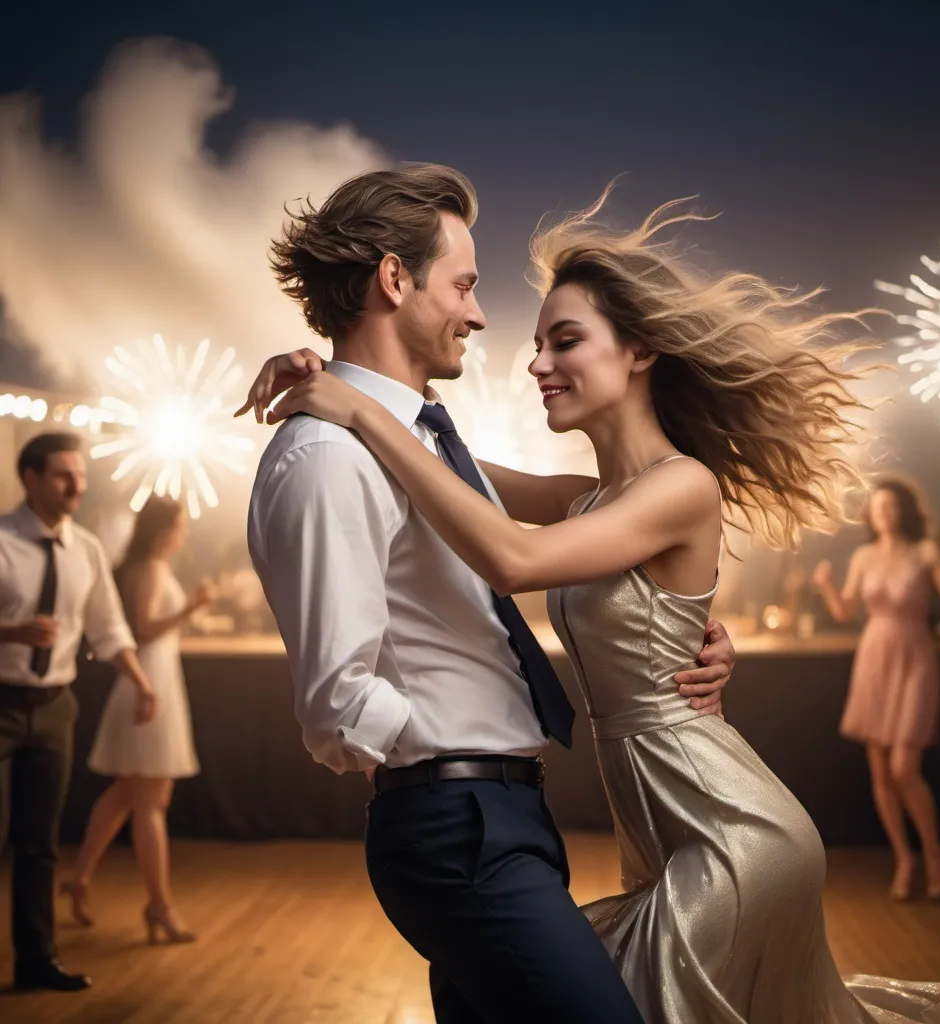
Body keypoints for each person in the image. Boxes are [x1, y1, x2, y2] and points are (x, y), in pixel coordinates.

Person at [246, 187, 940, 1022]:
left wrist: (356, 403)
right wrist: (338, 386)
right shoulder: (585, 500)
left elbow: (511, 554)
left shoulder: (680, 487)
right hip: (562, 823)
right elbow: (455, 472)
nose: (527, 356)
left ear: (640, 350)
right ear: (396, 281)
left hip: (724, 831)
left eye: (564, 340)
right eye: (472, 291)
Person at [240, 165, 736, 1024]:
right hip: (458, 822)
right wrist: (445, 762)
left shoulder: (413, 445)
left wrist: (677, 615)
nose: (477, 313)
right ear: (395, 279)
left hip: (499, 816)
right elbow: (334, 707)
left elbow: (593, 508)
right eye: (463, 285)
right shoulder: (328, 453)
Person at [0, 432, 156, 992]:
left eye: (82, 477)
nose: (78, 487)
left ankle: (36, 959)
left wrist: (141, 684)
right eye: (65, 476)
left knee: (41, 843)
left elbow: (109, 629)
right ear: (32, 479)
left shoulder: (86, 548)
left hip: (55, 707)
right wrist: (11, 632)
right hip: (1, 700)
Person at [60, 495, 211, 942]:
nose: (184, 533)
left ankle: (80, 878)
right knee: (149, 800)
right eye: (181, 525)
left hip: (156, 680)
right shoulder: (146, 568)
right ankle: (160, 906)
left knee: (128, 793)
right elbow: (142, 629)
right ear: (166, 529)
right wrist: (191, 608)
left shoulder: (155, 567)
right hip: (148, 684)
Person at [812, 479, 940, 901]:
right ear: (871, 515)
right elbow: (844, 610)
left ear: (904, 510)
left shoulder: (926, 552)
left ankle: (934, 853)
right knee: (879, 769)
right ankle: (904, 859)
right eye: (878, 508)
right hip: (874, 657)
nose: (885, 514)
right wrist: (824, 584)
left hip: (915, 657)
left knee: (903, 767)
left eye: (892, 506)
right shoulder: (863, 555)